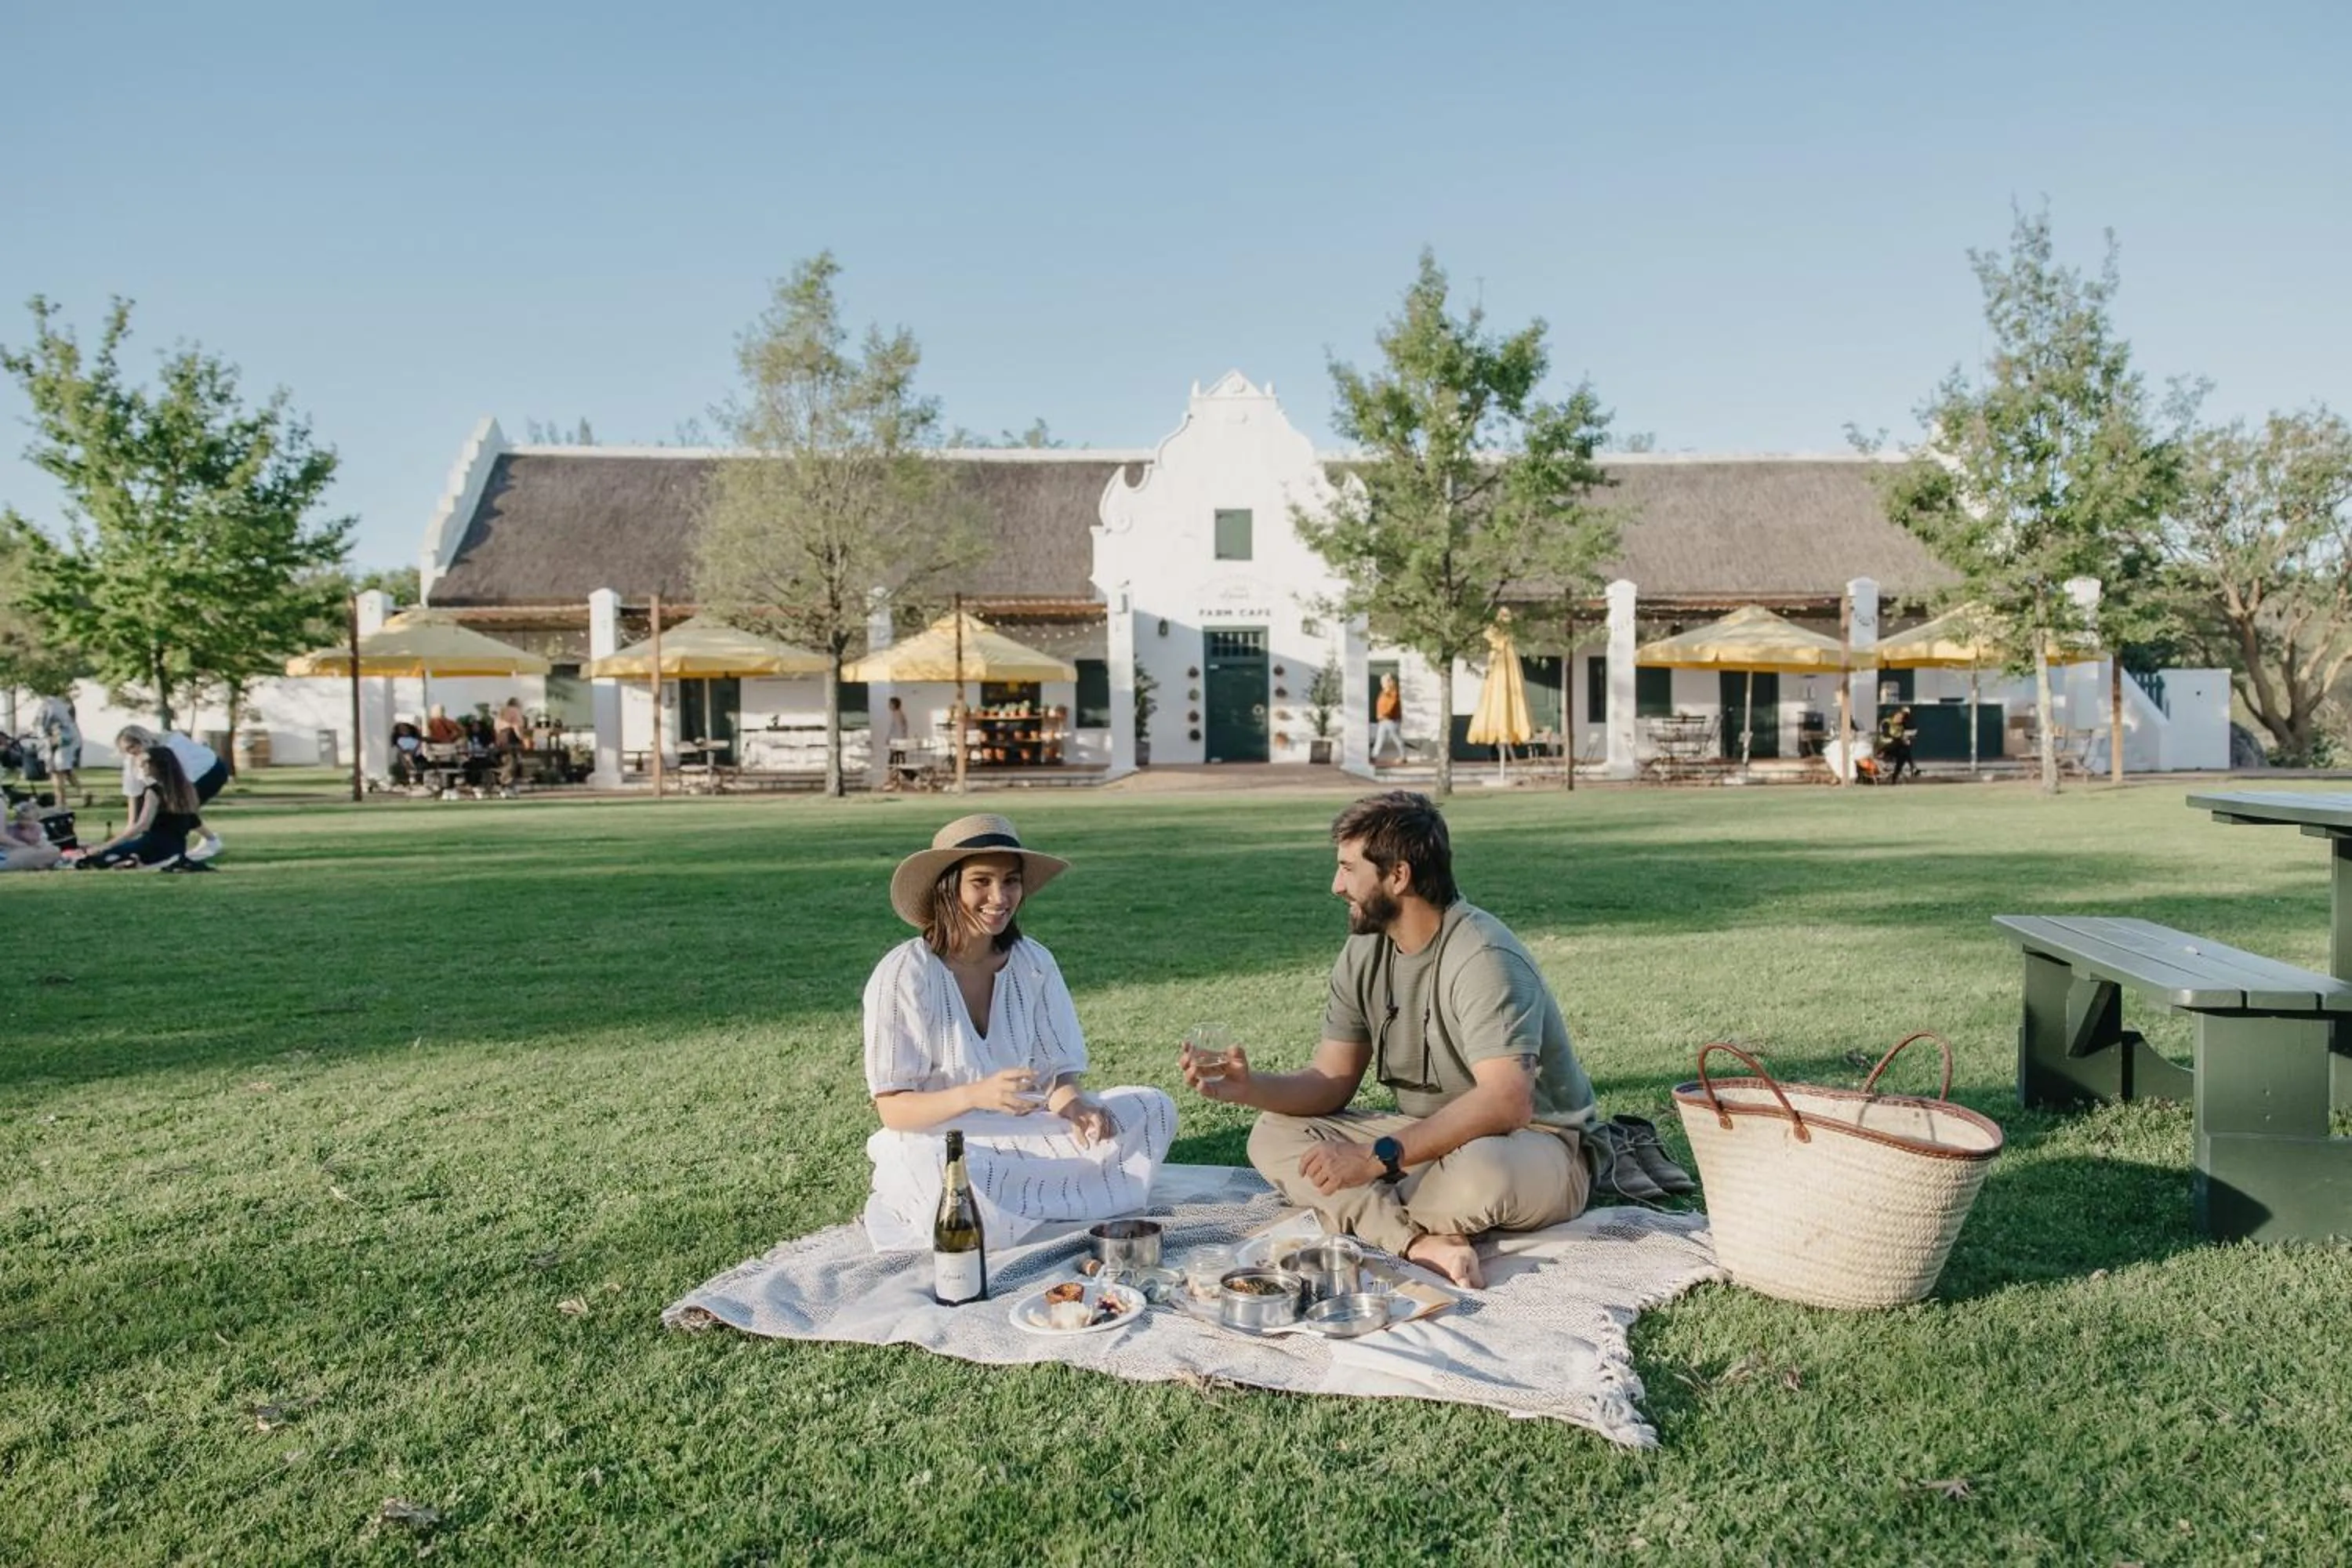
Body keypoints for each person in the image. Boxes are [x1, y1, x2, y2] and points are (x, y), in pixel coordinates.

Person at [1181, 791, 1598, 1288]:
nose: (1336, 886)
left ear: (1398, 876)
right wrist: (1248, 1088)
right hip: (1426, 1138)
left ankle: (1371, 1208)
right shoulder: (1365, 951)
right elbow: (1332, 1082)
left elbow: (1508, 1101)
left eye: (1348, 868)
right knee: (1273, 1133)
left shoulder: (1483, 956)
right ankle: (1418, 1241)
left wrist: (1370, 1159)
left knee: (1480, 1176)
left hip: (1534, 1145)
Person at [859, 812, 1176, 1252]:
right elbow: (893, 1111)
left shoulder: (1034, 963)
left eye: (1010, 881)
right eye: (981, 882)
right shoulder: (904, 974)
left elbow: (1057, 1079)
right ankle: (1049, 1202)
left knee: (1152, 1108)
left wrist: (1077, 1107)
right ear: (948, 888)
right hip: (940, 1144)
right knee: (944, 1177)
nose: (999, 897)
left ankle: (1025, 1207)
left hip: (1026, 1132)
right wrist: (974, 1095)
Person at [82, 744, 203, 869]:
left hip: (152, 846)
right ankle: (133, 861)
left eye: (145, 763)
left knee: (98, 858)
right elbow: (194, 821)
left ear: (157, 765)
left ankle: (134, 861)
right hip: (177, 848)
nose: (141, 766)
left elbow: (142, 825)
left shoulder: (154, 791)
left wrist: (107, 845)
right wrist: (211, 840)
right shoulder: (187, 789)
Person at [115, 726, 227, 861]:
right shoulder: (133, 757)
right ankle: (211, 840)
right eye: (127, 750)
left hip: (210, 772)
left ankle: (209, 842)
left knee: (178, 809)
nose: (132, 752)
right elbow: (132, 790)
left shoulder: (173, 744)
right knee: (171, 807)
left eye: (133, 746)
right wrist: (131, 825)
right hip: (183, 779)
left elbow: (183, 778)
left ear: (143, 740)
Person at [35, 693, 82, 801]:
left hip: (56, 740)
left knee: (56, 772)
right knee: (66, 770)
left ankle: (60, 801)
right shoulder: (66, 703)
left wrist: (43, 737)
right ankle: (82, 792)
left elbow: (40, 723)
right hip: (69, 739)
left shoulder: (48, 704)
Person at [0, 800, 63, 873]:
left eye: (28, 820)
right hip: (9, 853)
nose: (25, 823)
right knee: (52, 852)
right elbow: (2, 838)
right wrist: (23, 846)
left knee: (52, 850)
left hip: (21, 850)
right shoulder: (13, 828)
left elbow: (42, 841)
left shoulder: (38, 828)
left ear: (37, 819)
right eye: (22, 819)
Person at [1370, 673, 1405, 764]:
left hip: (1391, 720)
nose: (1382, 683)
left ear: (1389, 682)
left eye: (1384, 682)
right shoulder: (1384, 692)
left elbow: (1392, 705)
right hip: (1383, 719)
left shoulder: (1393, 692)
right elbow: (1381, 704)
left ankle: (1403, 756)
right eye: (1382, 682)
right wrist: (1380, 715)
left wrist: (1385, 714)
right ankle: (1374, 756)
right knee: (1380, 738)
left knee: (1396, 738)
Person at [1878, 706, 1918, 784]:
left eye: (1902, 718)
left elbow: (1912, 728)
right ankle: (1912, 766)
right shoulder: (1886, 722)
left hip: (1895, 747)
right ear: (1894, 715)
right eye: (1899, 717)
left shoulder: (1901, 725)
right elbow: (1886, 735)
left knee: (1903, 754)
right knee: (1902, 743)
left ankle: (1894, 778)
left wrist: (1906, 739)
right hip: (1884, 746)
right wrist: (1901, 739)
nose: (1900, 719)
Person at [882, 695, 913, 790]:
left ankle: (896, 780)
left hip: (898, 743)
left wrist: (895, 742)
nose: (889, 706)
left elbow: (899, 730)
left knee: (895, 762)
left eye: (890, 704)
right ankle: (895, 779)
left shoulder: (898, 715)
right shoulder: (897, 714)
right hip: (897, 742)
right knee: (896, 761)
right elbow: (895, 729)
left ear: (894, 705)